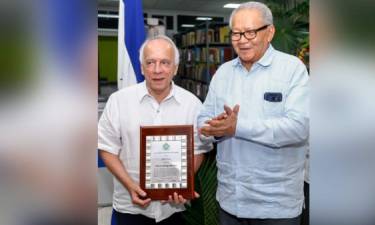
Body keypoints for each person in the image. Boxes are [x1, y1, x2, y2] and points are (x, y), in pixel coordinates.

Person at [197, 2, 309, 225]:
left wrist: (237, 127)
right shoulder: (223, 73)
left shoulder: (292, 70)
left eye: (250, 32)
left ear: (270, 32)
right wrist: (215, 129)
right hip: (230, 200)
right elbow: (202, 122)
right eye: (236, 33)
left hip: (275, 206)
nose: (242, 40)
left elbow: (299, 128)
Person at [98, 35, 212, 225]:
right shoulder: (118, 101)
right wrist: (130, 185)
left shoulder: (192, 104)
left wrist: (182, 183)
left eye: (165, 63)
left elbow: (198, 150)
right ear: (142, 67)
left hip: (173, 210)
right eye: (150, 62)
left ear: (175, 68)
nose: (157, 70)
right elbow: (107, 149)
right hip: (129, 208)